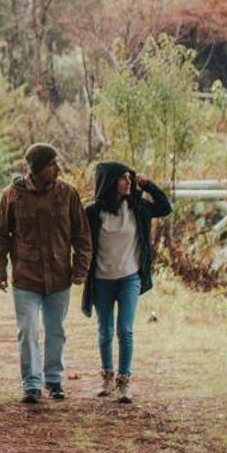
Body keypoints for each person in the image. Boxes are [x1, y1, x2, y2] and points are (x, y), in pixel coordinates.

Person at [0, 143, 91, 404]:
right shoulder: (11, 195)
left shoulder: (68, 194)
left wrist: (81, 268)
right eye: (51, 165)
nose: (57, 169)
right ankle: (32, 384)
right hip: (26, 277)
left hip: (59, 277)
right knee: (28, 330)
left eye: (57, 164)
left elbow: (82, 234)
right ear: (35, 170)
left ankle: (54, 379)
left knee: (56, 330)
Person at [79, 162, 173, 404]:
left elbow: (165, 207)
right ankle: (107, 377)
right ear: (110, 182)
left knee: (125, 331)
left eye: (129, 177)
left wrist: (147, 184)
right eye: (122, 178)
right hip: (101, 280)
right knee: (105, 331)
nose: (128, 181)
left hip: (130, 278)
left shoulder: (138, 208)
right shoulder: (92, 212)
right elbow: (78, 238)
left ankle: (124, 382)